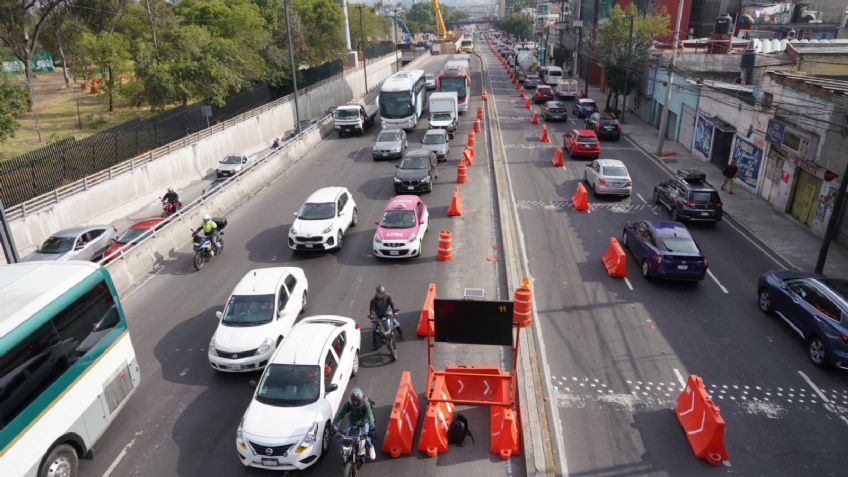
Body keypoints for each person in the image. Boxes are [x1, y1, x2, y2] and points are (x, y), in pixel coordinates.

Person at [333, 388, 376, 461]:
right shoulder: (348, 404)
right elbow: (341, 414)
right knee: (345, 436)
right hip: (352, 421)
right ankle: (346, 451)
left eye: (357, 401)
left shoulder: (365, 404)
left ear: (361, 400)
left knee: (366, 435)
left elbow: (370, 415)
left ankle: (371, 447)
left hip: (364, 422)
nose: (355, 403)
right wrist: (334, 424)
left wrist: (372, 427)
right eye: (354, 401)